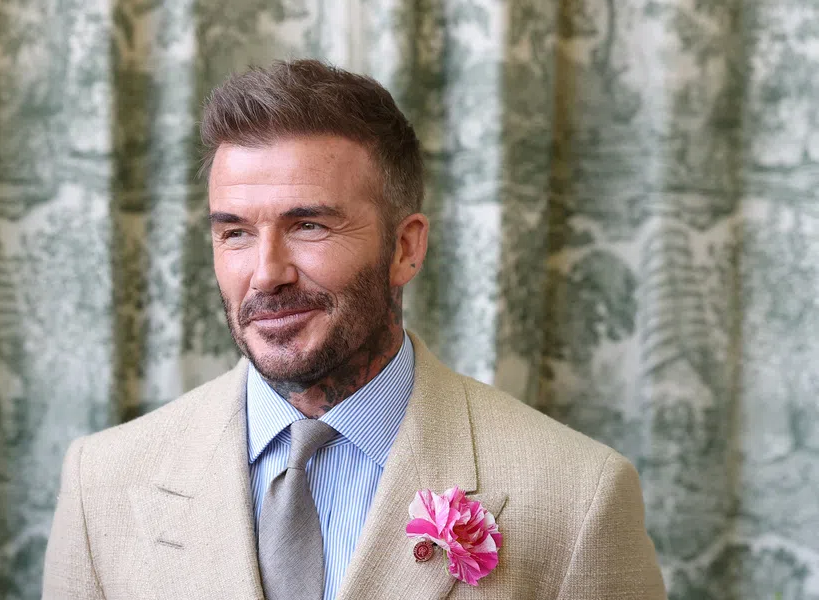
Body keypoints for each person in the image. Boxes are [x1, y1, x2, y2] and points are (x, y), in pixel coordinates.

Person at [42, 59, 666, 600]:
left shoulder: (579, 497)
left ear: (405, 247)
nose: (266, 274)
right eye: (234, 232)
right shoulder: (103, 484)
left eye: (309, 226)